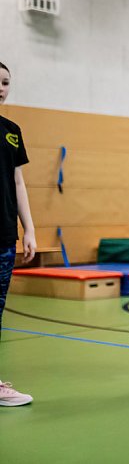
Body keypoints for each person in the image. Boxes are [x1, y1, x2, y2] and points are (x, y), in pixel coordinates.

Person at [0, 61, 36, 407]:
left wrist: (29, 228)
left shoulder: (11, 130)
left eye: (6, 82)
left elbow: (18, 182)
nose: (1, 86)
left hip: (3, 234)